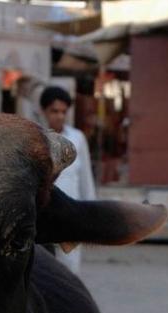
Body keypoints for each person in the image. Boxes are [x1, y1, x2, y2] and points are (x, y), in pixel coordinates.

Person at [40, 85, 95, 274]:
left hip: (70, 214)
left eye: (63, 111)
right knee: (42, 269)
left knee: (70, 268)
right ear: (44, 111)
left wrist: (89, 214)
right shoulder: (36, 138)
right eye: (54, 111)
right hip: (42, 215)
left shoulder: (77, 138)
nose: (60, 116)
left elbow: (85, 178)